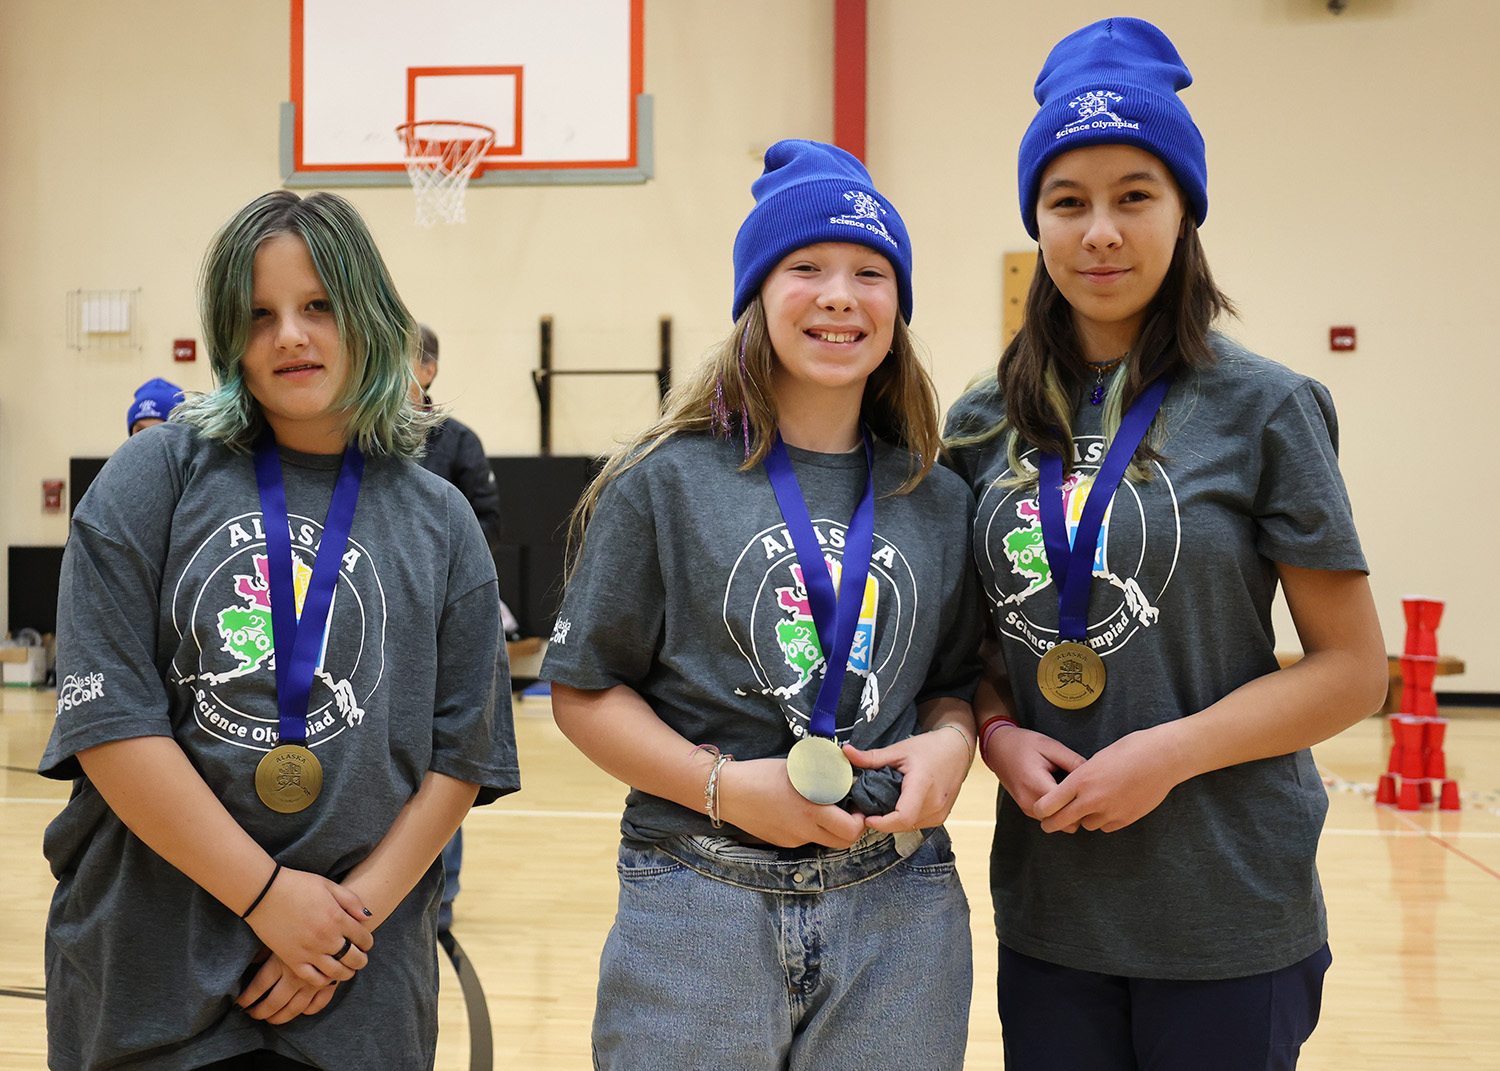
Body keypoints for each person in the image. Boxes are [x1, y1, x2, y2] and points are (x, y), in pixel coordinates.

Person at [944, 18, 1387, 1071]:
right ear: (1036, 221)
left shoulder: (1268, 408)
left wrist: (1170, 753)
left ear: (1185, 210)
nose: (1101, 230)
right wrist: (1001, 738)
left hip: (1228, 907)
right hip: (1054, 907)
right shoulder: (975, 423)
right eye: (1069, 201)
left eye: (1134, 195)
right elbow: (977, 661)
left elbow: (1351, 670)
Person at [40, 189, 518, 1071]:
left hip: (357, 987)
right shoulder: (153, 479)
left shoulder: (442, 521)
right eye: (259, 315)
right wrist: (267, 898)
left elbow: (463, 757)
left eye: (318, 307)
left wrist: (341, 926)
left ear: (371, 317)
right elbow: (112, 726)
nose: (290, 335)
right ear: (229, 335)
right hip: (150, 974)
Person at [541, 139, 984, 1070]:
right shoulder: (662, 482)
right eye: (806, 267)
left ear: (898, 308)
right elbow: (583, 690)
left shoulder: (938, 497)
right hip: (698, 891)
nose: (839, 294)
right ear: (756, 296)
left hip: (896, 903)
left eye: (871, 271)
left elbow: (954, 681)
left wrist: (953, 740)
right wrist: (723, 786)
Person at [407, 322, 518, 940]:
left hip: (441, 616)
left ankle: (438, 902)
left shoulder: (458, 443)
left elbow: (488, 522)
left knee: (446, 755)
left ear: (427, 369)